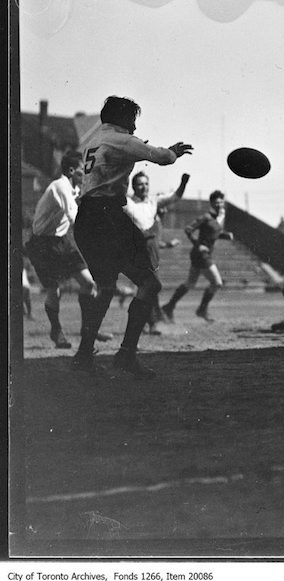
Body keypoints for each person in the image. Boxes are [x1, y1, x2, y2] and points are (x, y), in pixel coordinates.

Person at [72, 95, 193, 377]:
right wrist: (173, 151)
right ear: (124, 119)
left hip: (87, 219)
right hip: (107, 217)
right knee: (150, 284)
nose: (135, 127)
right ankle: (126, 355)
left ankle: (83, 355)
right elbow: (162, 158)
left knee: (105, 288)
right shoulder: (121, 140)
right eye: (133, 120)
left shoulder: (94, 140)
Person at [24, 151, 109, 348]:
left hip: (60, 241)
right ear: (71, 171)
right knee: (54, 290)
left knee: (89, 284)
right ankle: (57, 331)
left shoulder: (74, 188)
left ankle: (88, 329)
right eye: (82, 171)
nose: (85, 175)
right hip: (42, 244)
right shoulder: (60, 186)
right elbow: (75, 217)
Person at [123, 170, 190, 334]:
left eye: (146, 183)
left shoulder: (153, 201)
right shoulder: (128, 203)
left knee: (150, 288)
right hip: (137, 250)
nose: (144, 187)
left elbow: (174, 197)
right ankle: (151, 322)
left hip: (152, 251)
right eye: (140, 184)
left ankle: (147, 321)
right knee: (151, 286)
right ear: (133, 186)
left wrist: (183, 183)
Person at [161, 190, 233, 323]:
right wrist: (198, 244)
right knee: (217, 283)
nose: (219, 205)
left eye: (221, 202)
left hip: (201, 254)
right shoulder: (206, 217)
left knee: (190, 283)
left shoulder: (217, 220)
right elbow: (188, 229)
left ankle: (169, 306)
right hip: (201, 255)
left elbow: (213, 234)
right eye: (216, 202)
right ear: (211, 203)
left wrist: (225, 235)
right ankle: (201, 309)